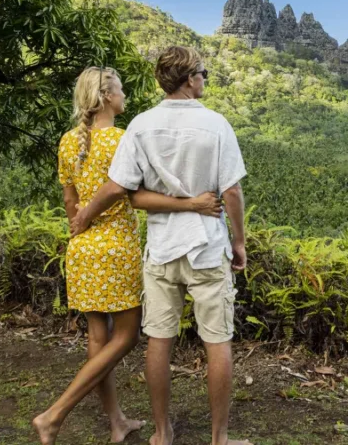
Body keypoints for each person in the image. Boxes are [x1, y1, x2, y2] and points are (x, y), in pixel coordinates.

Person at [33, 66, 225, 445]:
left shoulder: (68, 141)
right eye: (119, 90)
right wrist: (192, 204)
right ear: (106, 97)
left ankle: (116, 421)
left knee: (97, 335)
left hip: (82, 246)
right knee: (127, 337)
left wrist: (80, 225)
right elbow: (131, 196)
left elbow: (70, 199)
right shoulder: (122, 139)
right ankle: (55, 413)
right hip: (115, 247)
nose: (124, 96)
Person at [73, 47, 251, 445]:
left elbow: (125, 191)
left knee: (159, 341)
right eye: (202, 73)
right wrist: (239, 241)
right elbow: (233, 191)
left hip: (162, 249)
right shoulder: (216, 125)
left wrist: (84, 216)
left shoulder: (140, 125)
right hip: (207, 248)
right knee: (217, 341)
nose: (204, 79)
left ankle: (160, 433)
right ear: (189, 80)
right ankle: (219, 438)